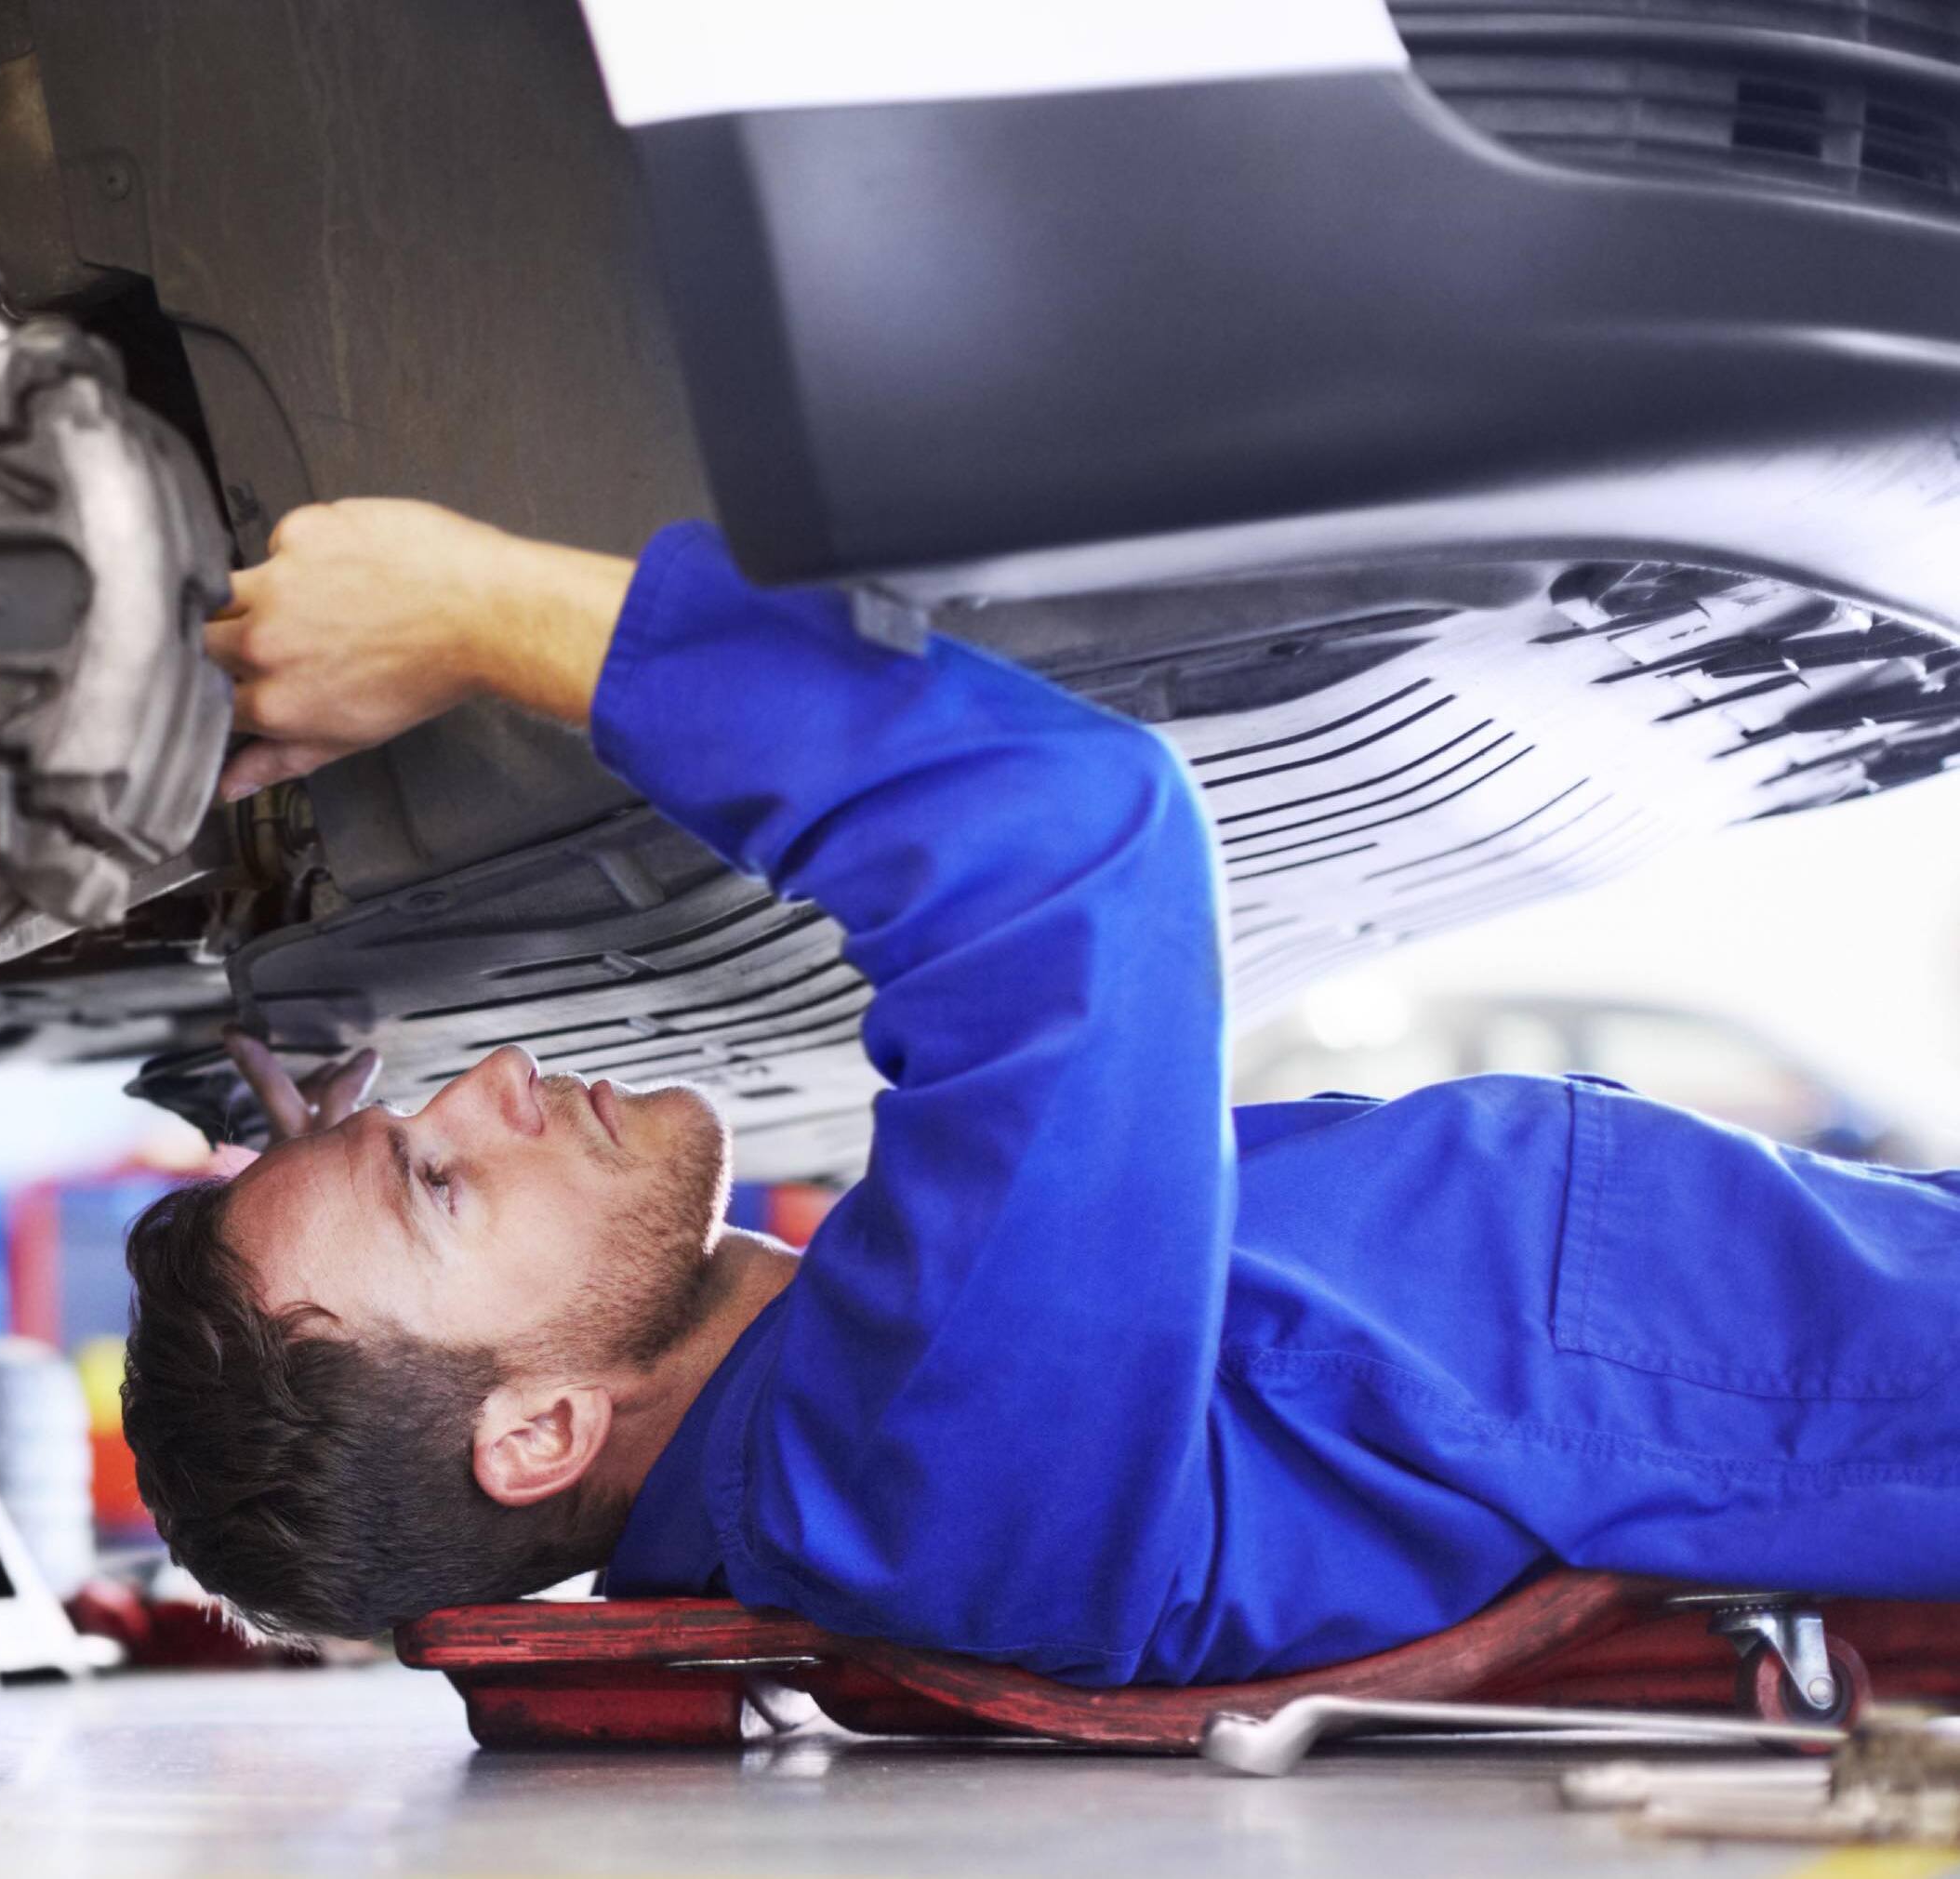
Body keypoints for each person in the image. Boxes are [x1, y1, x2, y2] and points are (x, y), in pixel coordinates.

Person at [121, 498, 1960, 1683]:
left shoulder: (865, 1417)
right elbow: (1066, 845)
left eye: (416, 1116)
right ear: (534, 1441)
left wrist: (341, 1150)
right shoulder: (917, 1472)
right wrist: (474, 606)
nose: (496, 1078)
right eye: (439, 1183)